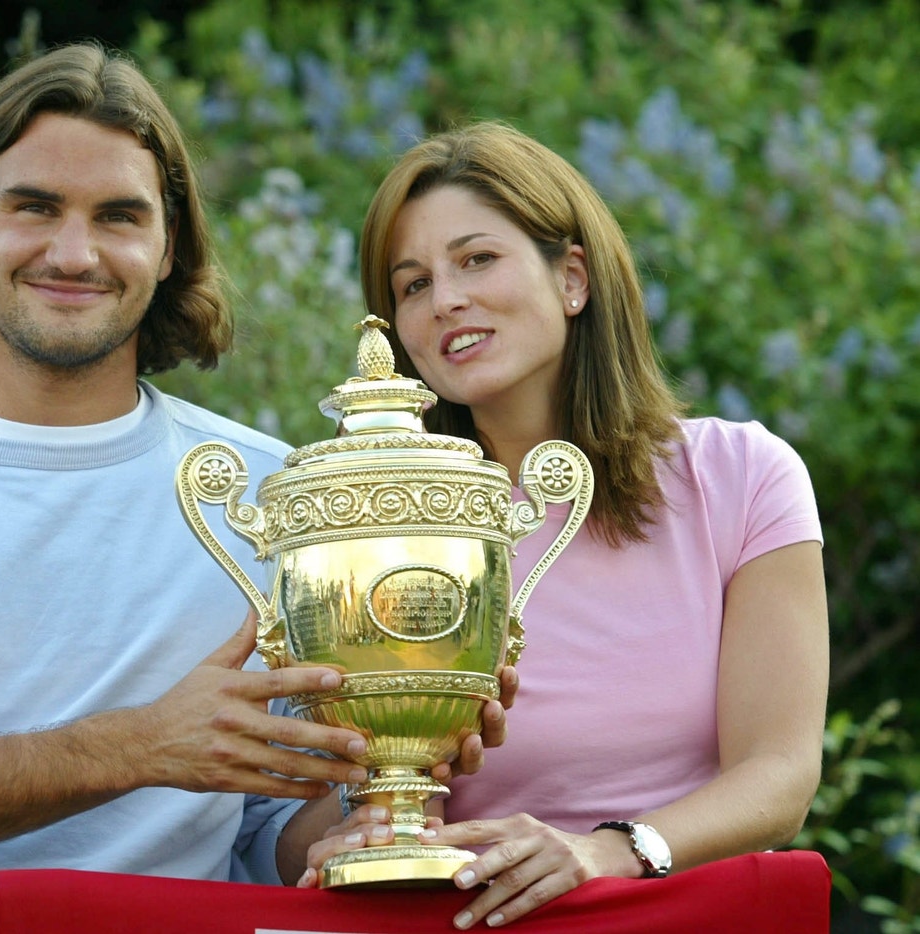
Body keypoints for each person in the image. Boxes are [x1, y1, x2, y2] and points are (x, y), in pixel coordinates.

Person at [0, 43, 504, 933]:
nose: (74, 252)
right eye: (35, 207)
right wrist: (139, 747)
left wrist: (400, 765)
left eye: (119, 216)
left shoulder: (275, 490)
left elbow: (270, 825)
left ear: (168, 247)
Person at [297, 121, 829, 929]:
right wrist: (351, 834)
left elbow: (781, 775)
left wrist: (609, 851)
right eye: (412, 284)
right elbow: (296, 816)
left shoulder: (743, 476)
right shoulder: (373, 521)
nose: (446, 300)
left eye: (477, 259)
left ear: (572, 278)